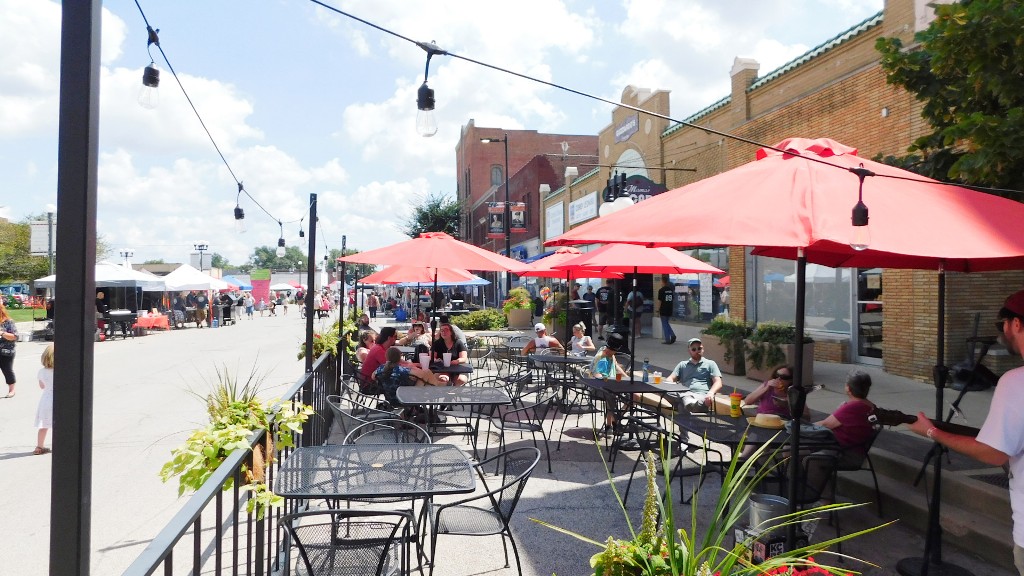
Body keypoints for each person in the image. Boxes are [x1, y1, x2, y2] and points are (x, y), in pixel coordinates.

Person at [910, 289, 1024, 574]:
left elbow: (994, 453)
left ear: (1016, 324)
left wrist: (932, 432)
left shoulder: (1016, 383)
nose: (1003, 331)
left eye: (1003, 324)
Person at [814, 370, 876, 466]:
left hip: (845, 453)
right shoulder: (870, 406)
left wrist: (802, 426)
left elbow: (825, 424)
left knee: (807, 456)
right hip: (851, 449)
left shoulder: (853, 407)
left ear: (848, 388)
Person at [374, 347, 443, 416]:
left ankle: (439, 385)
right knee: (427, 373)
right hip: (406, 399)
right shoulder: (402, 370)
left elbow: (373, 376)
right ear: (399, 358)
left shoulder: (380, 369)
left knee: (427, 376)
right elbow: (422, 374)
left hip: (389, 399)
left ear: (386, 357)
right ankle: (439, 386)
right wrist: (410, 365)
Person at [667, 337, 723, 412]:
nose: (697, 351)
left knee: (683, 404)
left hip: (701, 395)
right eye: (694, 349)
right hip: (684, 392)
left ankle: (686, 402)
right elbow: (670, 378)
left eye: (699, 348)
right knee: (663, 391)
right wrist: (668, 385)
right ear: (689, 351)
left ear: (703, 349)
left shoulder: (710, 364)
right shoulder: (682, 364)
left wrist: (711, 393)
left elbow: (718, 382)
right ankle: (687, 402)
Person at [590, 332, 628, 431]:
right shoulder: (602, 358)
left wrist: (627, 377)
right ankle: (616, 420)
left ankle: (611, 423)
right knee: (630, 397)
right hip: (599, 388)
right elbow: (597, 374)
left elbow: (615, 365)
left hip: (611, 385)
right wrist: (605, 379)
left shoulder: (608, 352)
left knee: (614, 398)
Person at [744, 364, 808, 421]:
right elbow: (747, 401)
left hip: (783, 423)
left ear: (791, 380)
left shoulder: (794, 392)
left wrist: (789, 406)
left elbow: (807, 416)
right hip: (763, 420)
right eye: (776, 375)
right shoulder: (767, 385)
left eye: (783, 377)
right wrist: (766, 388)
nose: (778, 379)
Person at [360, 327, 398, 393]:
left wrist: (412, 365)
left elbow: (395, 363)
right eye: (395, 336)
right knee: (401, 383)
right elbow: (392, 366)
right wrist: (411, 367)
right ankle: (394, 399)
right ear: (389, 338)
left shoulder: (380, 347)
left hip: (372, 382)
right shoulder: (379, 350)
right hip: (370, 386)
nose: (396, 339)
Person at [34, 343, 54, 455]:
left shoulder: (41, 372)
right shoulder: (61, 371)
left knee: (44, 425)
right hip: (57, 399)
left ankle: (39, 447)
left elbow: (42, 386)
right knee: (59, 423)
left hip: (46, 400)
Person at [0, 300, 18, 398]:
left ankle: (12, 390)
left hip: (6, 351)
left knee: (7, 370)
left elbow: (15, 336)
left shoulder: (8, 322)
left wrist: (2, 333)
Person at [657, 275, 677, 345]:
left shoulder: (661, 290)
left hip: (663, 309)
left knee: (664, 324)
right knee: (666, 323)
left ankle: (668, 339)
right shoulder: (670, 290)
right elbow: (672, 299)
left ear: (663, 282)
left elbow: (660, 301)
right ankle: (672, 335)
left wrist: (658, 310)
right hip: (669, 308)